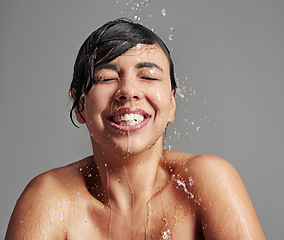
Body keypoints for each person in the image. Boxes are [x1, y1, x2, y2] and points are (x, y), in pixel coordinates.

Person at [5, 18, 266, 239]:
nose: (128, 91)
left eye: (149, 77)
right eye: (105, 78)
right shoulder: (49, 198)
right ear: (79, 105)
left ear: (172, 103)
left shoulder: (205, 181)